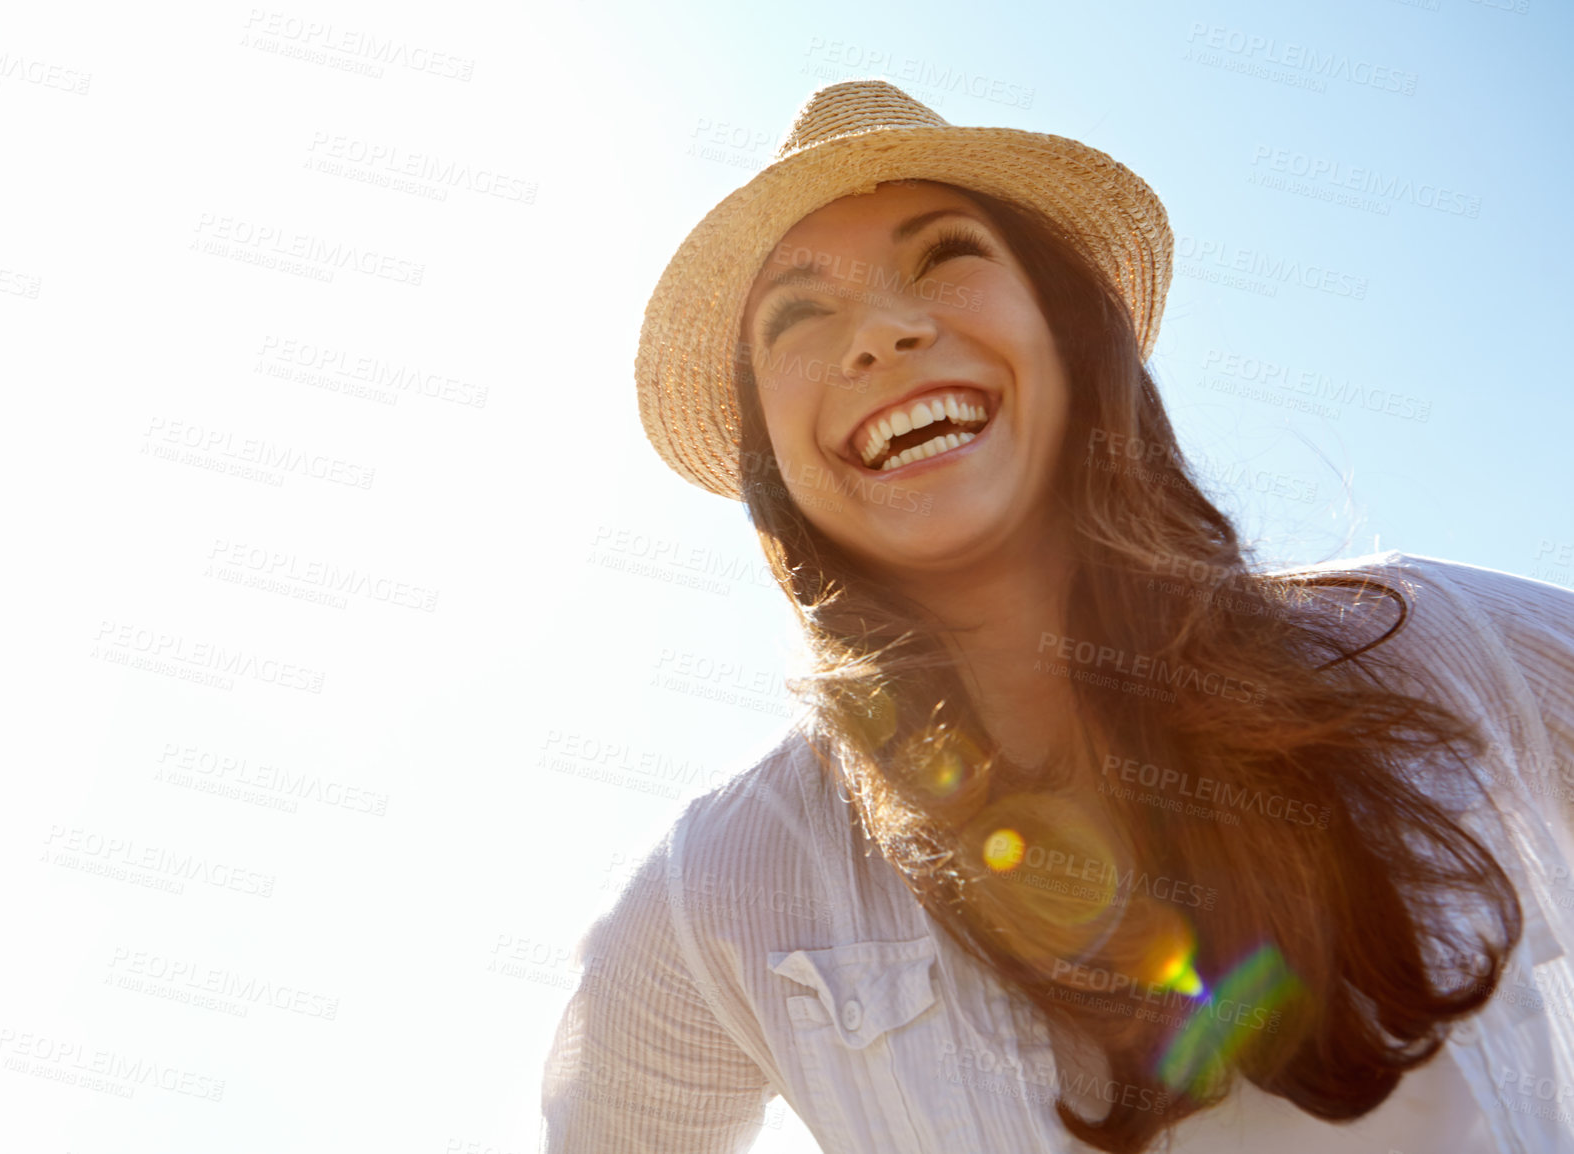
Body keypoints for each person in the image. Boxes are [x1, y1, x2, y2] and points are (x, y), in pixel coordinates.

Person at [539, 80, 1574, 1153]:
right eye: (798, 314)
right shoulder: (721, 884)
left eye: (945, 258)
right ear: (773, 461)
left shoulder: (1434, 647)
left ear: (1070, 336)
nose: (884, 332)